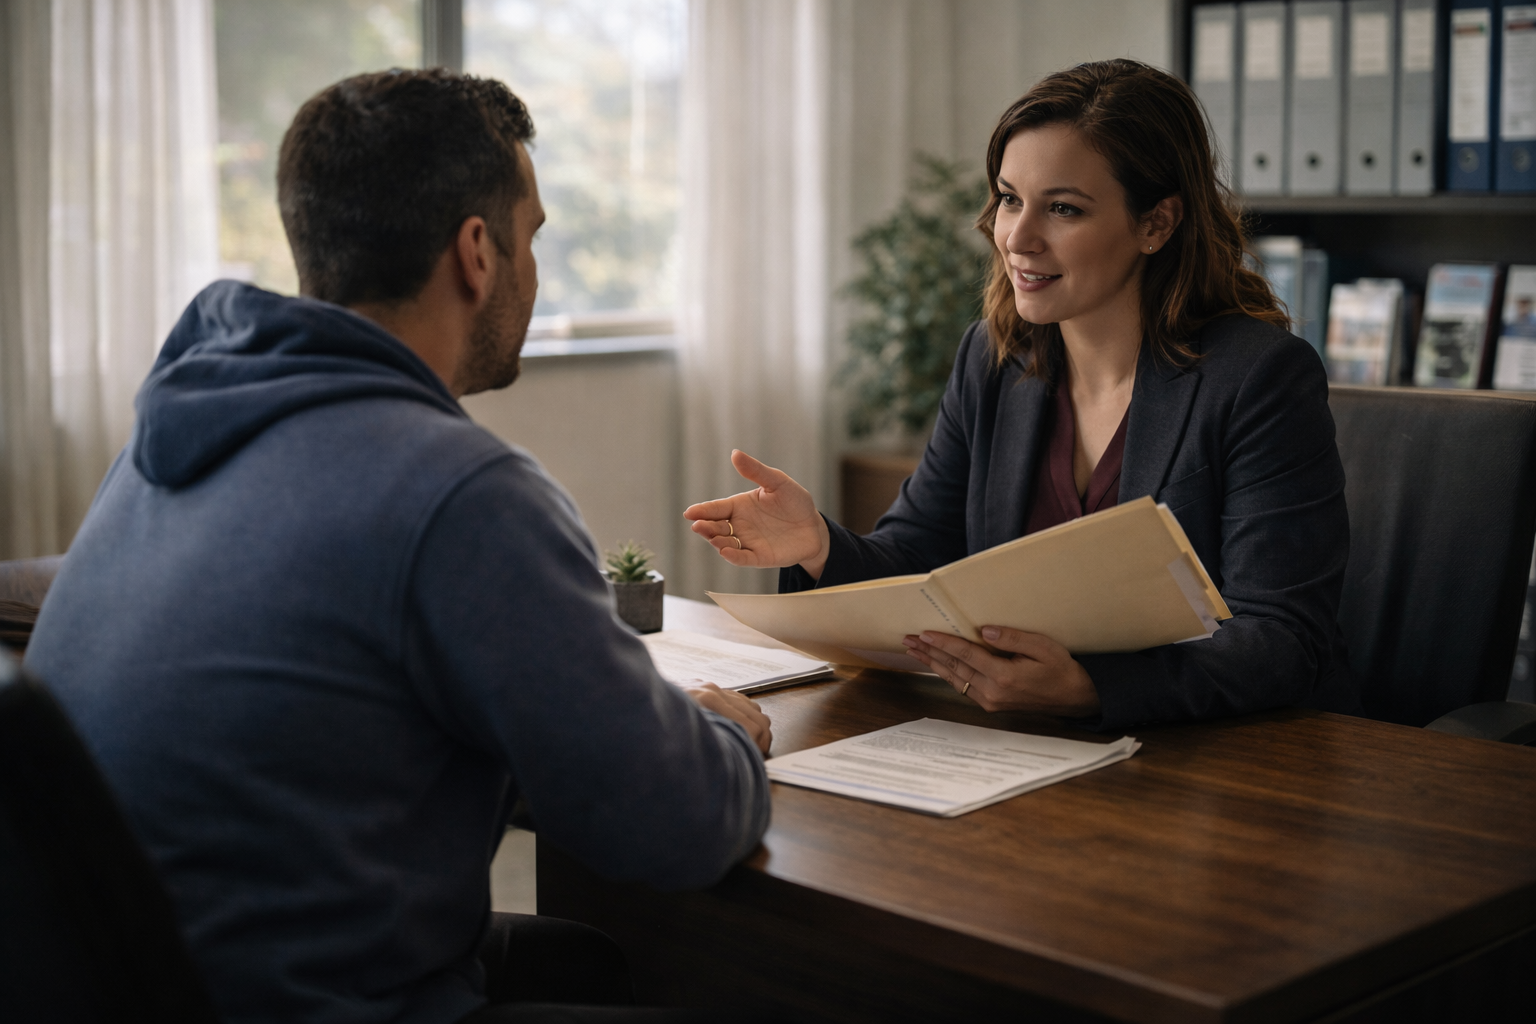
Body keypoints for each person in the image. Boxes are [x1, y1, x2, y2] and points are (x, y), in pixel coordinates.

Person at [27, 70, 773, 1024]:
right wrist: (725, 735)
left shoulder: (170, 438)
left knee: (583, 962)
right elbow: (677, 826)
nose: (535, 269)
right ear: (476, 252)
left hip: (147, 981)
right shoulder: (460, 492)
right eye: (531, 235)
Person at [684, 59, 1360, 731]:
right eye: (1010, 199)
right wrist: (817, 544)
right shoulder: (994, 358)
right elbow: (918, 560)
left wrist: (1094, 688)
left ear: (1156, 222)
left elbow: (1281, 638)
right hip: (1019, 749)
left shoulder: (1259, 377)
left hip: (1208, 762)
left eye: (1063, 208)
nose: (1017, 237)